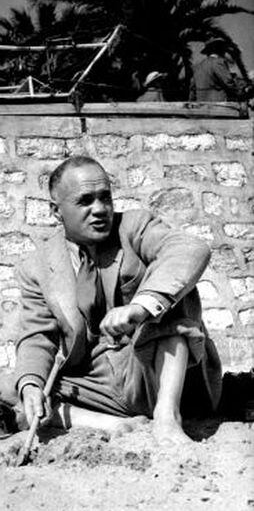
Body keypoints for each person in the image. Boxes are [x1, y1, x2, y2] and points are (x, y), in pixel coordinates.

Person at [14, 155, 222, 444]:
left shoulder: (135, 226)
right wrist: (31, 386)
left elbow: (190, 248)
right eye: (85, 201)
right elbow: (38, 337)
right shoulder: (37, 267)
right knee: (15, 389)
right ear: (56, 211)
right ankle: (108, 424)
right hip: (94, 387)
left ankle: (167, 419)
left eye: (105, 198)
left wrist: (142, 306)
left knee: (173, 295)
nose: (99, 209)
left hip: (153, 373)